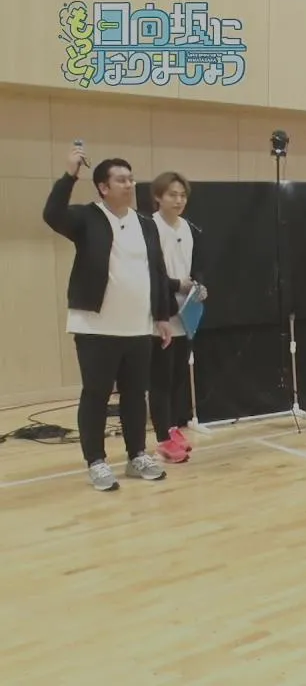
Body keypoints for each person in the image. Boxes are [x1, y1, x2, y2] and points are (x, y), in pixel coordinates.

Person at [43, 144, 174, 491]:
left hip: (138, 326)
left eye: (131, 179)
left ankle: (137, 456)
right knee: (96, 395)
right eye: (121, 180)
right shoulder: (86, 218)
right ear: (103, 187)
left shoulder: (146, 224)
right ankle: (96, 461)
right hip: (96, 327)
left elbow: (157, 271)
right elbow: (52, 214)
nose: (130, 184)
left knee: (135, 395)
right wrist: (69, 174)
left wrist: (162, 316)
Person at [149, 172, 207, 464]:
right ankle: (163, 438)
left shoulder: (188, 227)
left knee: (177, 378)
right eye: (172, 194)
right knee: (160, 379)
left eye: (182, 195)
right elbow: (152, 274)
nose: (178, 200)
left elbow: (195, 267)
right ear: (158, 197)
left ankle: (172, 428)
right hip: (160, 313)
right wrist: (176, 285)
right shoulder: (150, 228)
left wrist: (199, 286)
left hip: (185, 313)